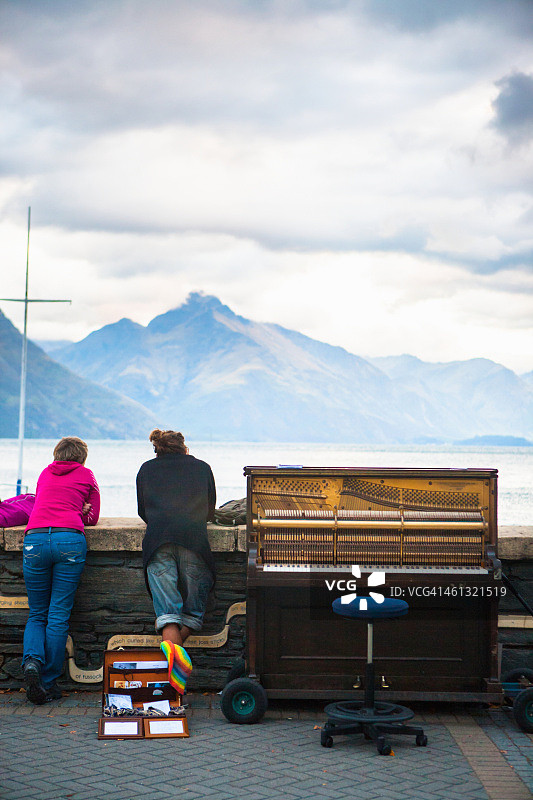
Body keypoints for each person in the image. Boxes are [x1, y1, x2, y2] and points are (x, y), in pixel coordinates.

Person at [22, 437, 100, 704]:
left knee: (37, 614)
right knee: (57, 615)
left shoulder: (45, 473)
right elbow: (92, 518)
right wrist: (81, 509)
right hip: (69, 541)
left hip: (34, 541)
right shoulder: (87, 475)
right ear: (82, 457)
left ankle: (32, 662)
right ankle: (48, 681)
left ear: (57, 454)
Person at [137, 429, 216, 647]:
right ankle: (175, 669)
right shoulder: (202, 467)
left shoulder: (146, 469)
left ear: (157, 449)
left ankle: (171, 673)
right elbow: (210, 511)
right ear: (183, 447)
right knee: (192, 615)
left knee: (168, 617)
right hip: (194, 541)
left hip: (158, 541)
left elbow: (143, 511)